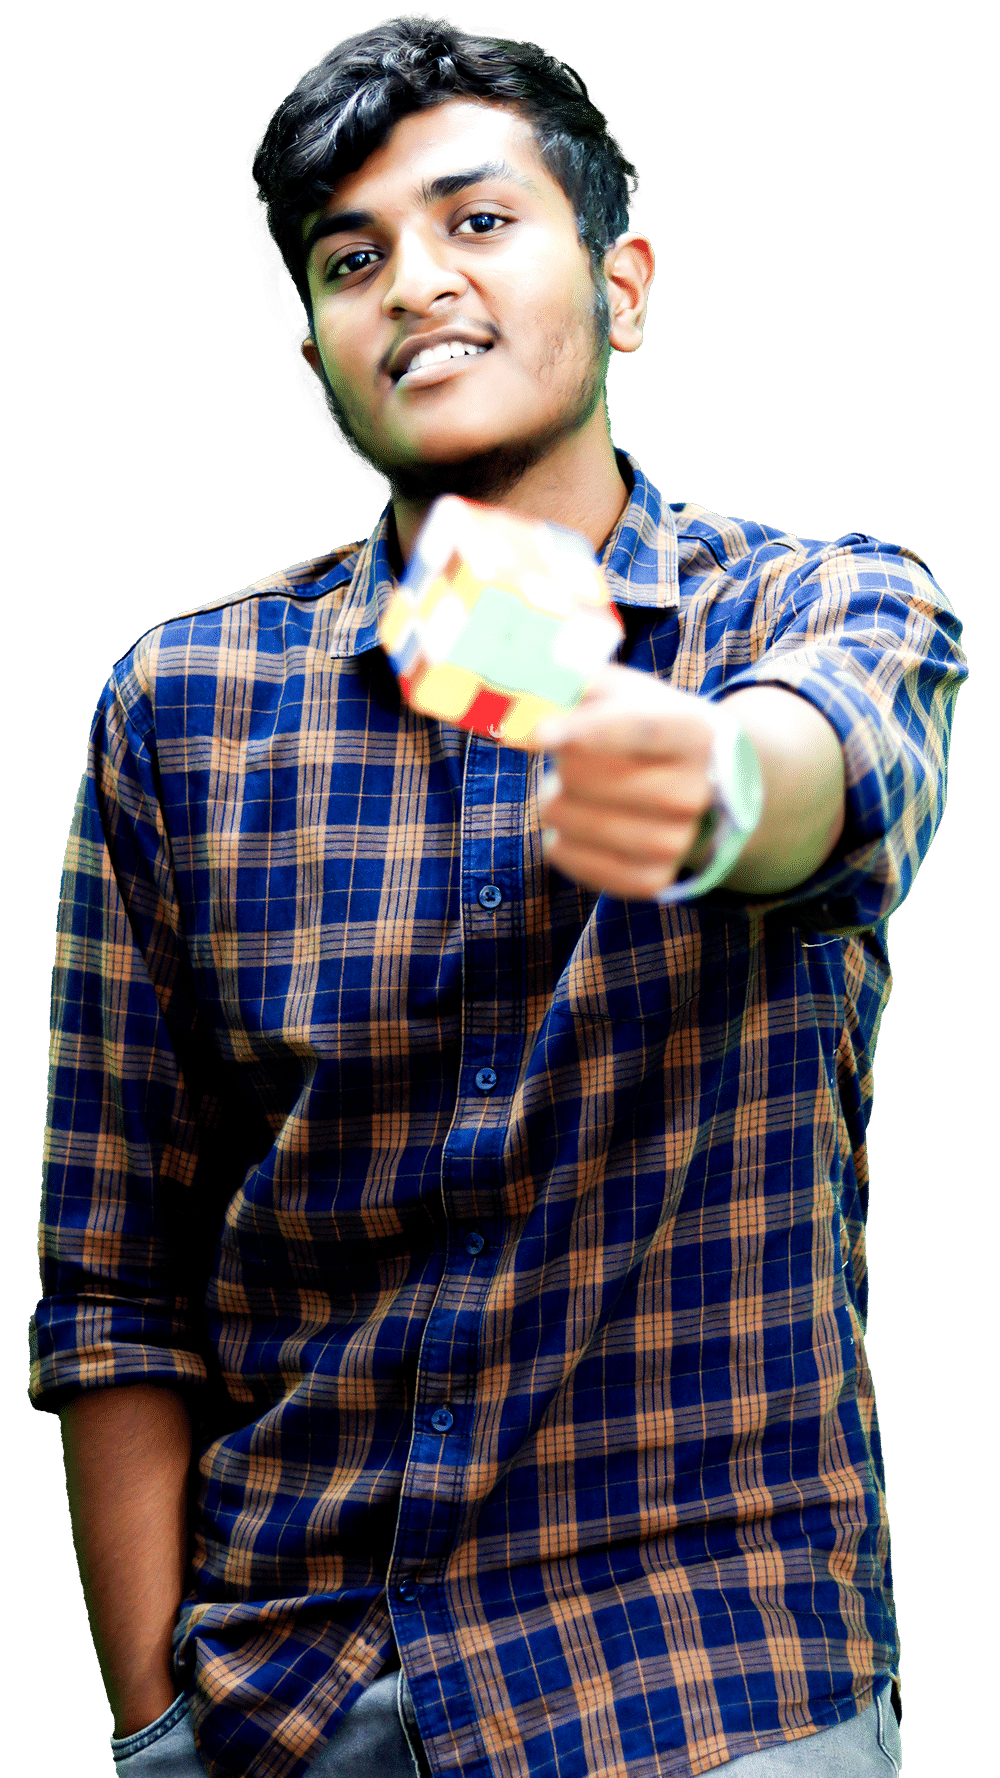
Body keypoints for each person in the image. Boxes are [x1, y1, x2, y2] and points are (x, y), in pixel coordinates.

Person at [28, 17, 965, 1778]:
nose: (415, 284)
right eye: (350, 258)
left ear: (622, 286)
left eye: (476, 221)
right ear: (316, 351)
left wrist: (662, 750)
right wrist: (156, 1728)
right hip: (293, 1703)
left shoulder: (823, 609)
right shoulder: (180, 705)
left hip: (707, 1685)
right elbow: (117, 1279)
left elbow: (807, 781)